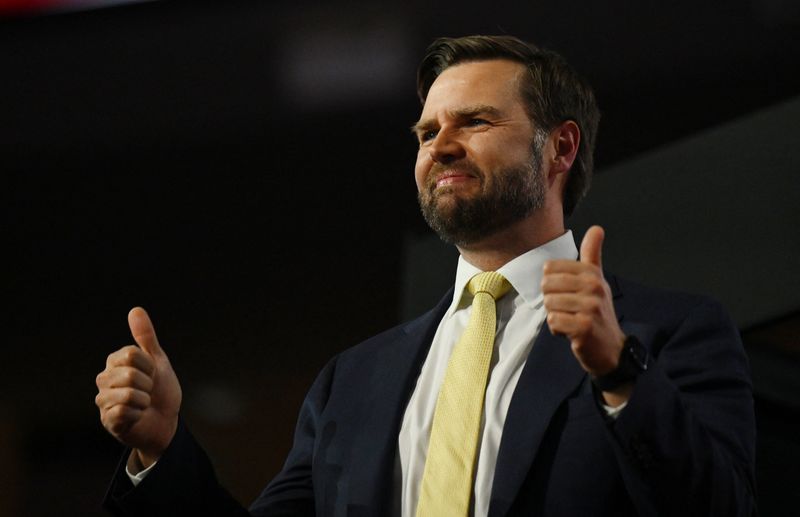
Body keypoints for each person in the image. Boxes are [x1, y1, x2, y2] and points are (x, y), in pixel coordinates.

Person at [95, 35, 756, 516]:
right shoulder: (352, 381)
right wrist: (161, 451)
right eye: (425, 130)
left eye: (474, 121)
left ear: (560, 146)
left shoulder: (669, 332)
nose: (438, 144)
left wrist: (618, 374)